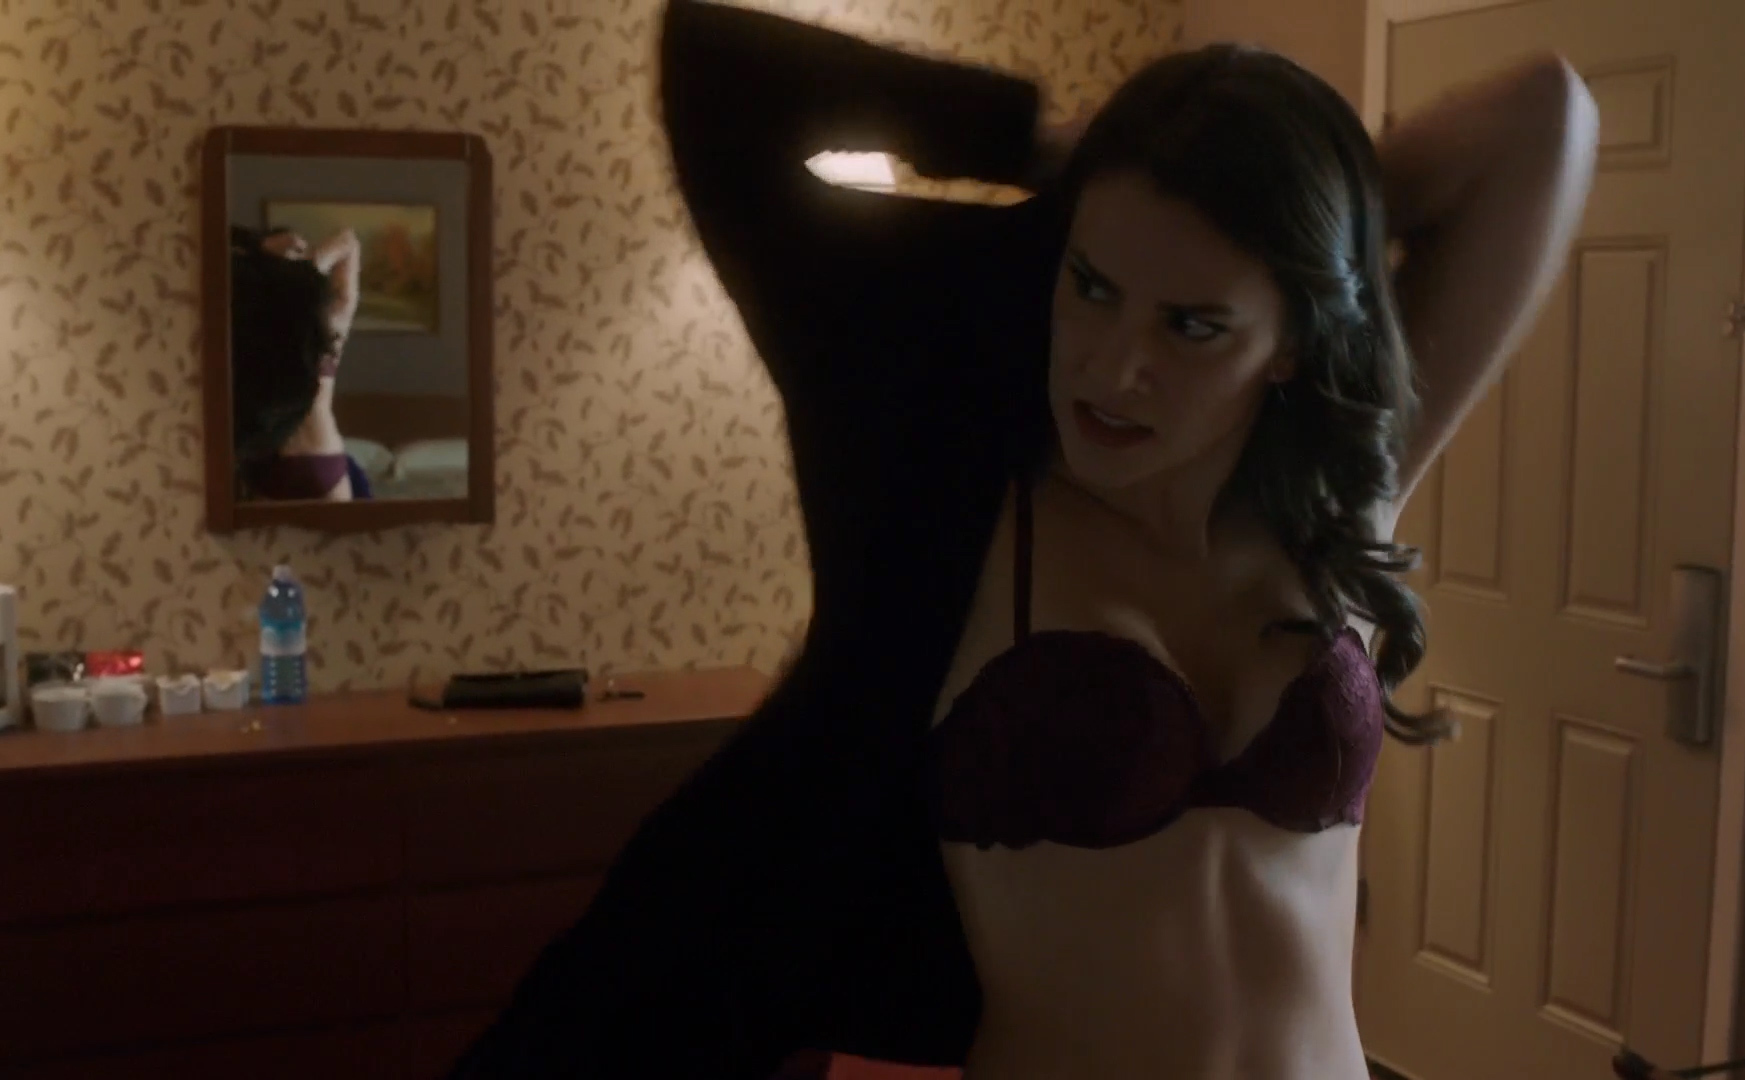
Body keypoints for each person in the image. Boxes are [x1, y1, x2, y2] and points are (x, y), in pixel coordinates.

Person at [449, 2, 1596, 1077]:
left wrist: (1294, 198)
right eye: (1092, 288)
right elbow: (719, 68)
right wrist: (1037, 141)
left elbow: (1548, 121)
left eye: (1193, 324)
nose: (1115, 367)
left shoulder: (1341, 498)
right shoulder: (954, 514)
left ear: (1290, 341)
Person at [229, 224, 368, 501]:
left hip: (262, 464)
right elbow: (349, 242)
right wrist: (311, 265)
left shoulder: (244, 324)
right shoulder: (328, 322)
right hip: (317, 454)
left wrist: (264, 252)